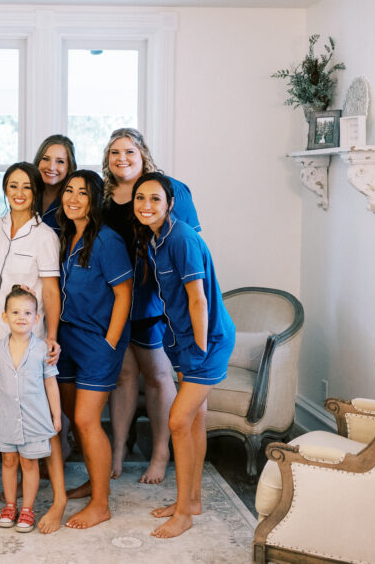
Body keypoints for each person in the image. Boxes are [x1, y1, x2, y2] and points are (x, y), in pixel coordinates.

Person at [132, 172, 235, 538]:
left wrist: (200, 350)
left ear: (170, 203)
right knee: (193, 421)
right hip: (183, 341)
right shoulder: (156, 237)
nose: (146, 205)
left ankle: (183, 514)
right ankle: (192, 501)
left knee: (177, 421)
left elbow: (198, 299)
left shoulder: (181, 239)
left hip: (205, 341)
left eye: (155, 199)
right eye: (140, 198)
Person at [101, 127, 200, 485]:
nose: (121, 159)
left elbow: (187, 246)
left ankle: (160, 453)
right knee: (123, 376)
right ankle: (117, 449)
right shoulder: (104, 196)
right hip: (114, 304)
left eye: (129, 152)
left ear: (143, 154)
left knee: (158, 378)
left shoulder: (168, 189)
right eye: (114, 153)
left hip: (155, 303)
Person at [0, 162, 67, 533]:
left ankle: (34, 492)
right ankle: (10, 486)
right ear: (4, 189)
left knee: (36, 412)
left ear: (34, 192)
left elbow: (50, 291)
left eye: (26, 186)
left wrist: (52, 335)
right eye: (12, 185)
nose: (19, 192)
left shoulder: (44, 236)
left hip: (30, 335)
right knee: (4, 401)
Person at [55, 170, 133, 529]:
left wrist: (110, 343)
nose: (72, 198)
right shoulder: (67, 237)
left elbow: (123, 294)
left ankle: (101, 504)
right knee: (78, 420)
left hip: (98, 343)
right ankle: (93, 480)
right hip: (67, 340)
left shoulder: (107, 241)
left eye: (81, 193)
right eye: (68, 191)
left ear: (94, 199)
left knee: (87, 421)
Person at [0, 286, 61, 534]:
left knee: (30, 463)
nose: (21, 317)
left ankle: (28, 509)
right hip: (7, 418)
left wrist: (56, 415)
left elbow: (50, 383)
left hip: (35, 418)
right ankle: (11, 506)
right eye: (15, 312)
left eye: (27, 312)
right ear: (5, 316)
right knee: (9, 461)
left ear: (37, 318)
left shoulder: (43, 349)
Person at [32, 135, 76, 234]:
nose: (51, 167)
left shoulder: (75, 202)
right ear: (38, 161)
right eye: (46, 159)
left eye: (60, 161)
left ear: (69, 166)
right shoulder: (27, 194)